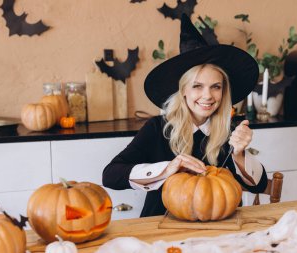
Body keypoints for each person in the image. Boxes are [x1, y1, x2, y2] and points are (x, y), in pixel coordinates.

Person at [102, 14, 268, 217]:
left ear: (224, 91)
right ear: (183, 91)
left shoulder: (230, 130)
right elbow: (110, 175)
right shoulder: (158, 128)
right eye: (197, 86)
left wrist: (240, 154)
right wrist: (168, 168)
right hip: (160, 227)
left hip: (217, 229)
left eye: (216, 87)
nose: (208, 96)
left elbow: (259, 185)